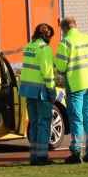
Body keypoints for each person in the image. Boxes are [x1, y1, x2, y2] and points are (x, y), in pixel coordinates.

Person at [54, 17, 88, 164]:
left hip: (76, 84)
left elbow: (61, 67)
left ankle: (76, 153)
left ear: (63, 30)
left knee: (76, 118)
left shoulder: (66, 43)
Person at [19, 23, 57, 166]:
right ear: (47, 35)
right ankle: (42, 156)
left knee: (34, 124)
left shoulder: (29, 46)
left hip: (28, 91)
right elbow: (47, 73)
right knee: (44, 123)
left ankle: (34, 157)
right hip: (41, 92)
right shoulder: (45, 49)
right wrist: (52, 91)